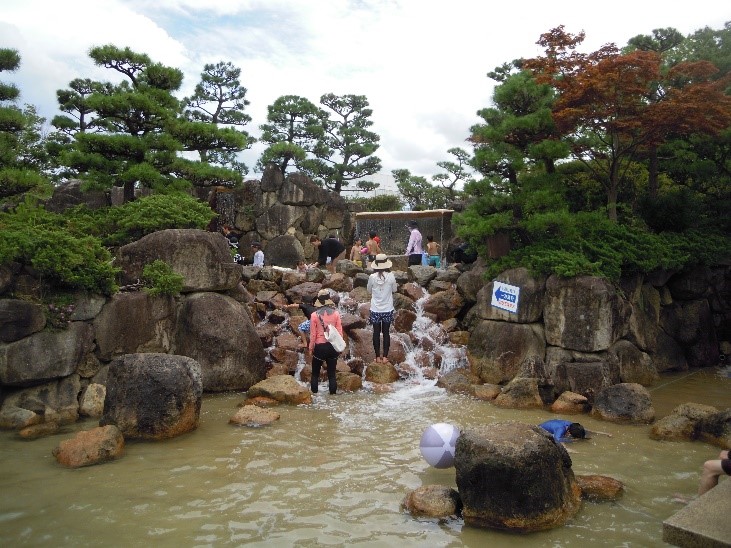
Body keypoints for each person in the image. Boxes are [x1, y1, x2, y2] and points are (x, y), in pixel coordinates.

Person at [308, 288, 344, 394]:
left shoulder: (314, 315)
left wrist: (310, 348)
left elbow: (313, 335)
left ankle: (314, 397)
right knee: (332, 374)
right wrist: (340, 347)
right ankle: (332, 398)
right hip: (333, 346)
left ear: (319, 301)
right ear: (329, 301)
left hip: (320, 347)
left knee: (315, 374)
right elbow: (339, 332)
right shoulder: (336, 314)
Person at [366, 253, 397, 364]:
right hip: (387, 308)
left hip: (375, 309)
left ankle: (377, 357)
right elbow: (394, 290)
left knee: (376, 333)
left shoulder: (372, 277)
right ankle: (385, 357)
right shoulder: (391, 276)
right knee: (386, 333)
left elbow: (369, 290)